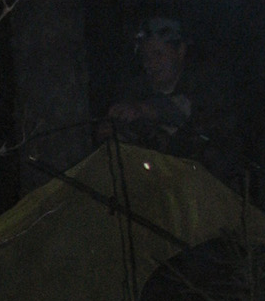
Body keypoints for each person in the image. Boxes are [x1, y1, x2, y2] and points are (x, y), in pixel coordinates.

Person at [100, 14, 242, 185]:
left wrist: (145, 110)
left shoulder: (207, 86)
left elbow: (190, 117)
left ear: (180, 51)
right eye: (145, 57)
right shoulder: (135, 91)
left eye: (158, 54)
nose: (151, 63)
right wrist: (113, 132)